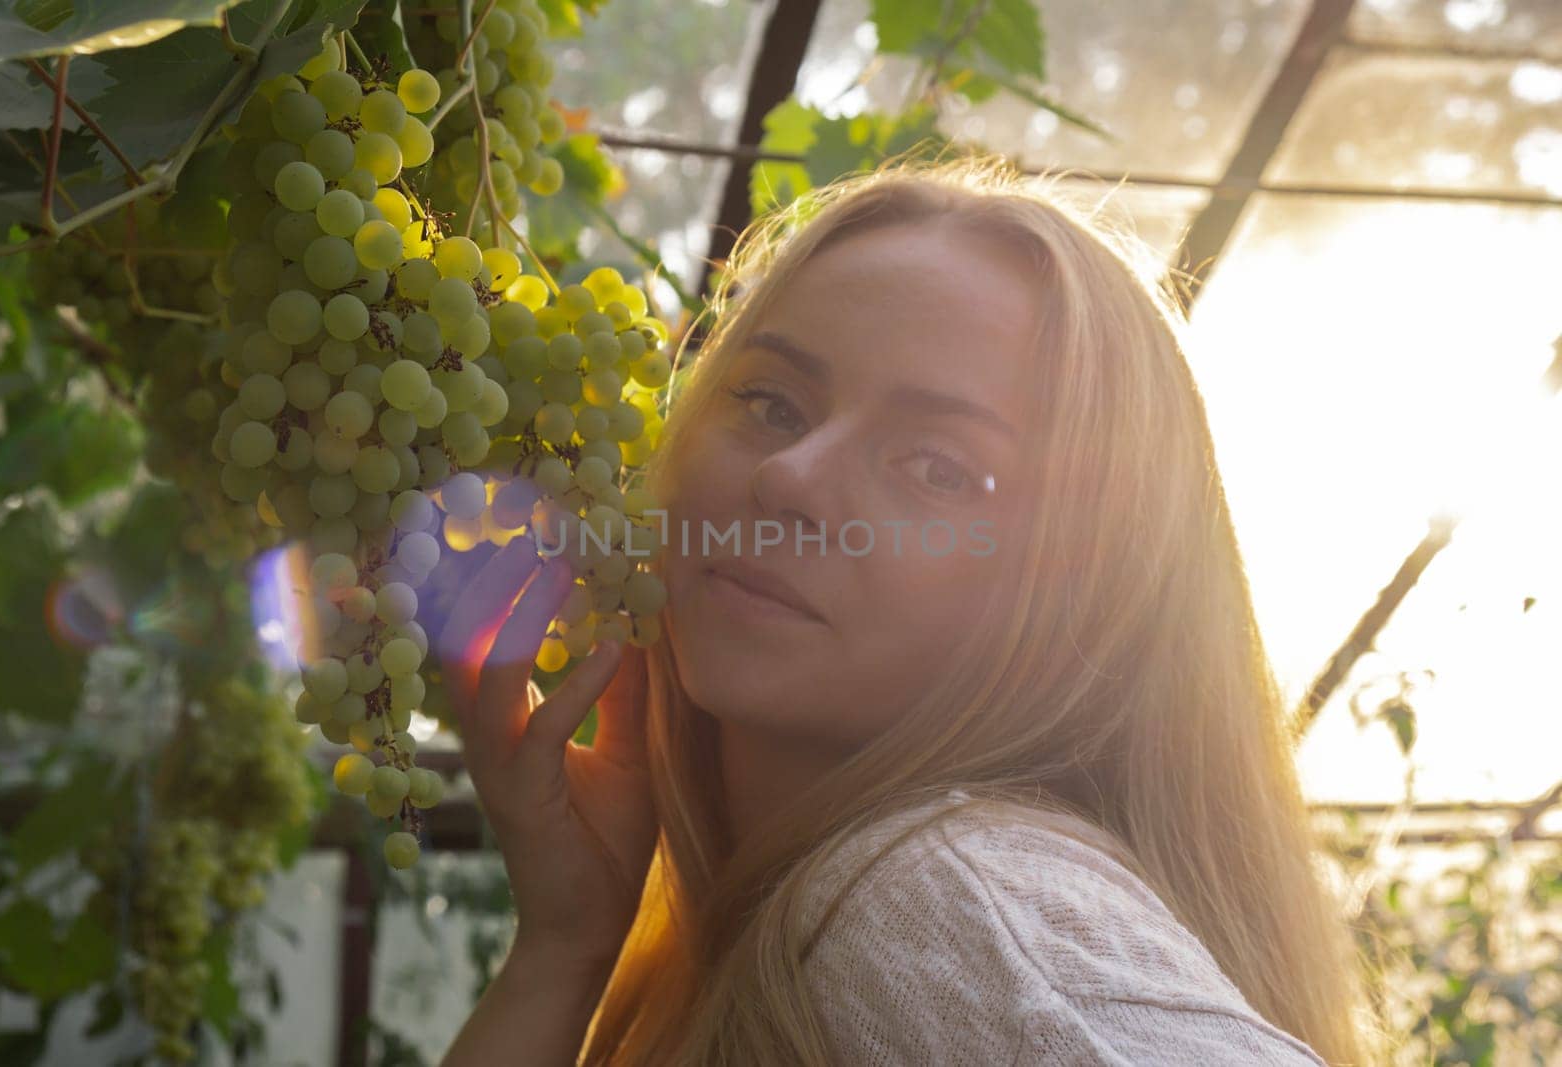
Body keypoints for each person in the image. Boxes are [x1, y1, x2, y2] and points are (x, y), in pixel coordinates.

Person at [434, 154, 1384, 1066]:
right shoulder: (811, 916)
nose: (791, 477)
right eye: (771, 403)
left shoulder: (942, 899)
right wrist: (564, 948)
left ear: (1085, 596)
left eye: (939, 468)